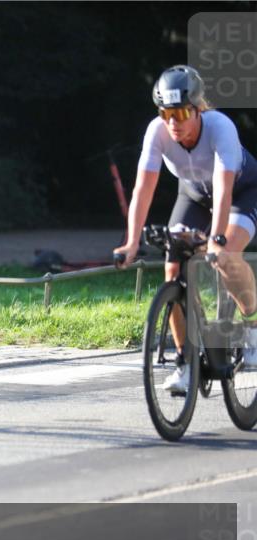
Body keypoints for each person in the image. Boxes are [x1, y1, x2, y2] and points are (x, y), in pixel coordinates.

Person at [114, 65, 257, 394]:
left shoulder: (220, 128)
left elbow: (223, 190)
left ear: (197, 108)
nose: (173, 123)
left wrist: (217, 239)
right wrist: (131, 242)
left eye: (180, 113)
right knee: (173, 267)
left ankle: (252, 324)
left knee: (225, 255)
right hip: (193, 195)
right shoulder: (157, 132)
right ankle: (186, 364)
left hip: (241, 193)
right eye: (166, 113)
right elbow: (143, 190)